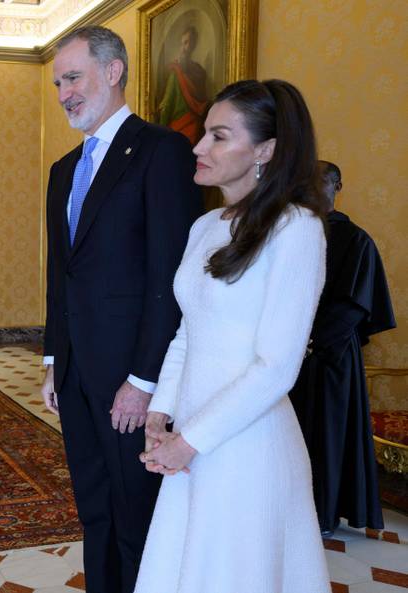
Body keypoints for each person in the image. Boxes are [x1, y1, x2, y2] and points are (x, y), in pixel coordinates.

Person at [135, 79, 331, 593]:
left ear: (265, 149)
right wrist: (162, 407)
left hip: (246, 442)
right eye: (204, 134)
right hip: (193, 433)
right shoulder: (206, 226)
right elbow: (189, 327)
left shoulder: (296, 228)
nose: (199, 147)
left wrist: (192, 441)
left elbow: (277, 367)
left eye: (219, 136)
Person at [42, 25, 203, 593]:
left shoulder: (162, 151)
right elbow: (60, 276)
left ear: (113, 72)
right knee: (95, 506)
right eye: (59, 81)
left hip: (132, 377)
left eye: (74, 77)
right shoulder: (63, 169)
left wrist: (144, 380)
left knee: (138, 512)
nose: (63, 92)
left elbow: (170, 280)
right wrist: (51, 362)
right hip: (77, 372)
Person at [289, 161, 396, 536]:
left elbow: (354, 305)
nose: (314, 188)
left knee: (328, 436)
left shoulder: (357, 241)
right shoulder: (290, 233)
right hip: (287, 352)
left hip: (331, 357)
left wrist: (311, 340)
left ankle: (324, 514)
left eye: (323, 181)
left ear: (339, 186)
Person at [157, 26, 208, 145]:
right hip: (178, 127)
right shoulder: (176, 70)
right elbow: (167, 104)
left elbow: (166, 106)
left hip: (194, 126)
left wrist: (159, 135)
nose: (183, 48)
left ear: (194, 44)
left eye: (186, 43)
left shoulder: (199, 72)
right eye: (182, 43)